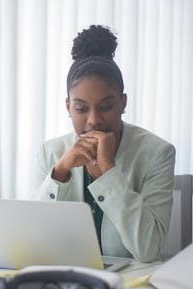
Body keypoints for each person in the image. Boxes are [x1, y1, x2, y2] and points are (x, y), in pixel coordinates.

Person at [33, 25, 175, 262]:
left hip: (130, 284)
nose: (94, 120)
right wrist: (60, 173)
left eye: (106, 107)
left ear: (123, 103)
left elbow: (149, 250)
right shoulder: (51, 153)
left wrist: (108, 171)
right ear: (68, 107)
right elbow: (33, 240)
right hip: (67, 277)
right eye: (81, 109)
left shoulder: (157, 153)